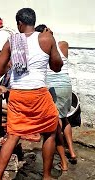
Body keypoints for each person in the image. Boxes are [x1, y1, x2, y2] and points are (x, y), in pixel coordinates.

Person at [0, 8, 63, 180]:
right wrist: (52, 41)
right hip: (38, 95)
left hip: (17, 95)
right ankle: (46, 175)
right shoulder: (46, 38)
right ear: (34, 22)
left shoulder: (12, 41)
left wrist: (11, 62)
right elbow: (57, 66)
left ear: (20, 24)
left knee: (13, 135)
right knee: (50, 131)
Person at [36, 24, 77, 166]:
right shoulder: (63, 45)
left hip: (53, 88)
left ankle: (64, 162)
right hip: (66, 85)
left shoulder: (42, 48)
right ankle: (71, 152)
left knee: (55, 125)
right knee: (65, 119)